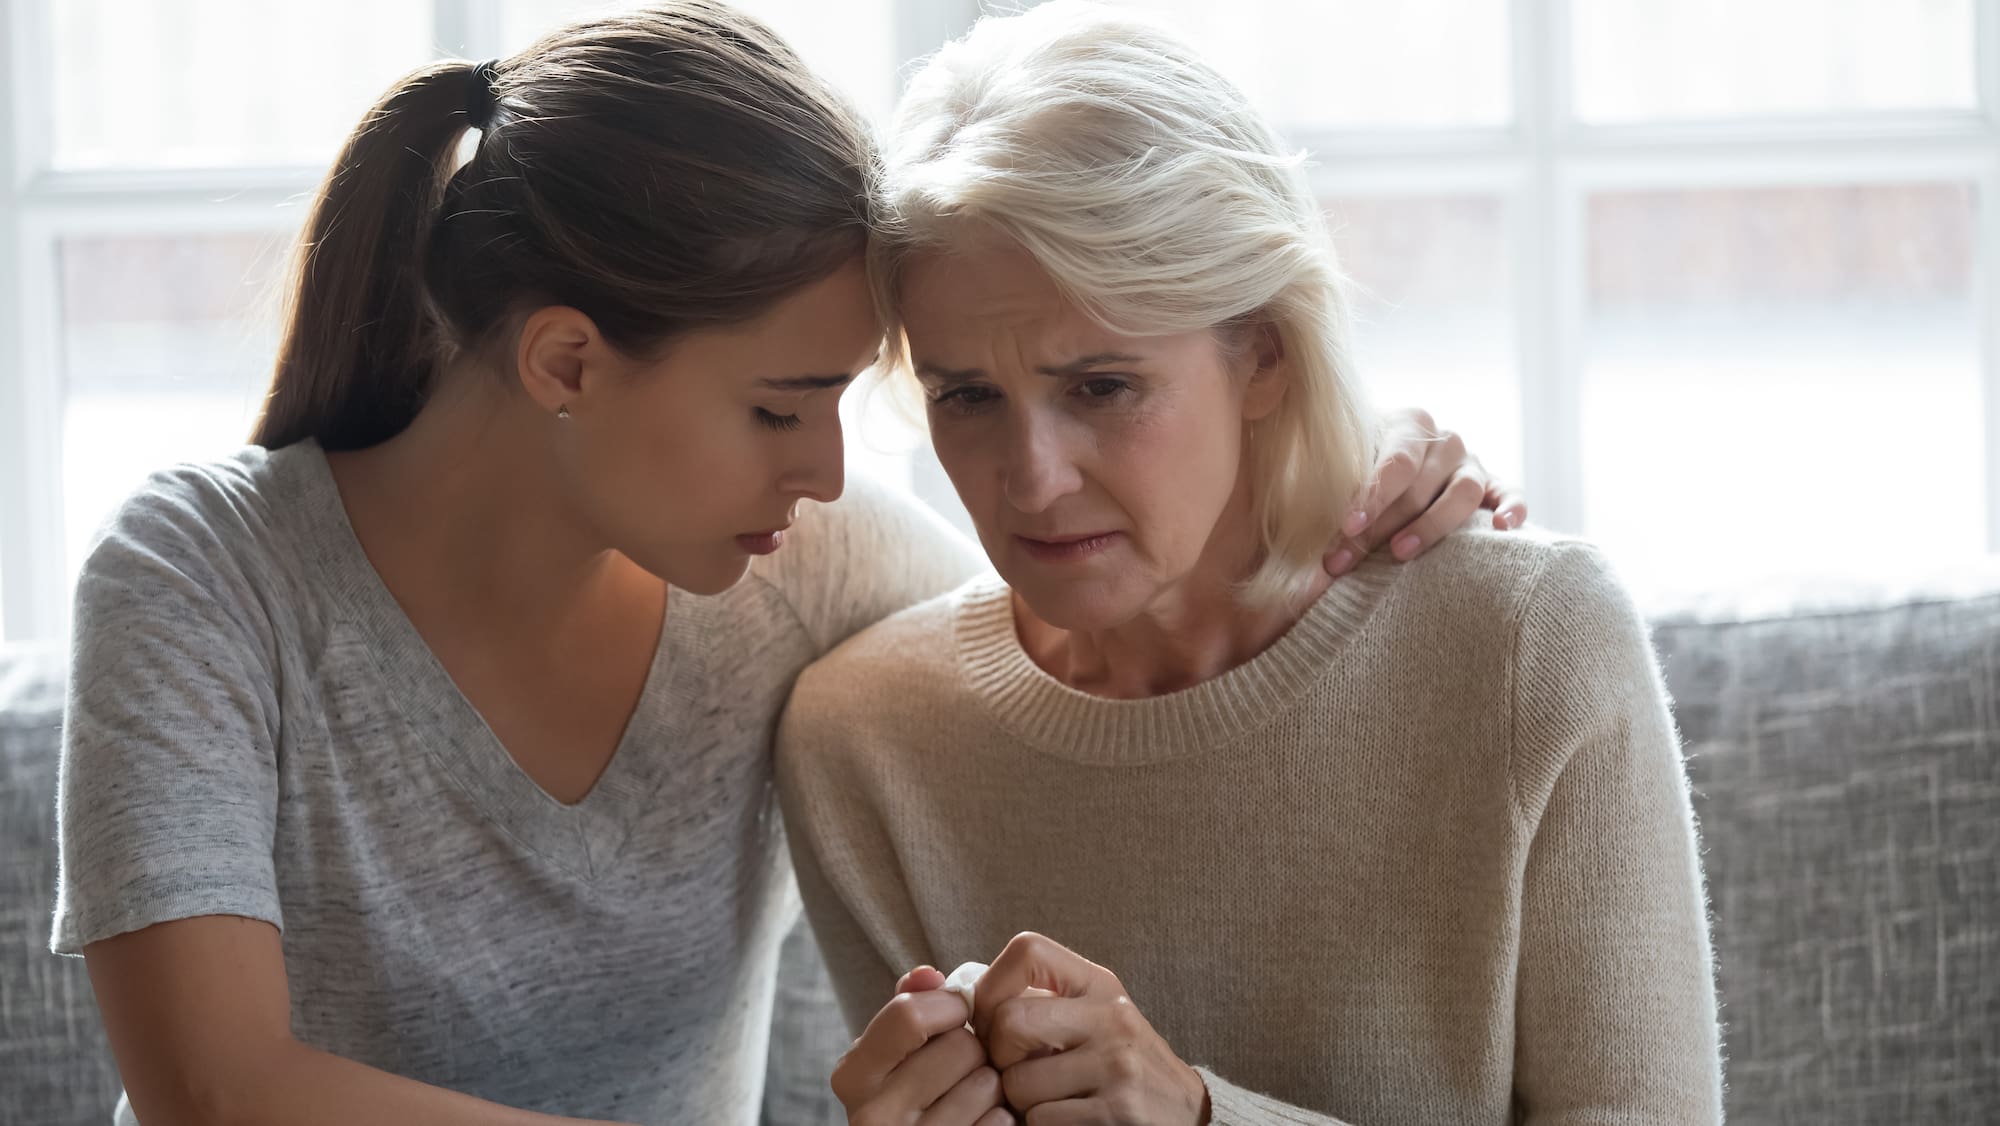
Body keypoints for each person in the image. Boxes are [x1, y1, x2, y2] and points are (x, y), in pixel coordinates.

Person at [49, 4, 1516, 1124]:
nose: (824, 470)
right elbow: (219, 1093)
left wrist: (1335, 442)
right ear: (567, 358)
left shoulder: (805, 570)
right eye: (777, 407)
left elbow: (1102, 618)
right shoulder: (199, 576)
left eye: (842, 400)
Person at [775, 5, 1724, 1124]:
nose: (1028, 481)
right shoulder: (863, 740)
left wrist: (1195, 1115)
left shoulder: (1528, 645)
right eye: (966, 396)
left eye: (1100, 386)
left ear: (1261, 351)